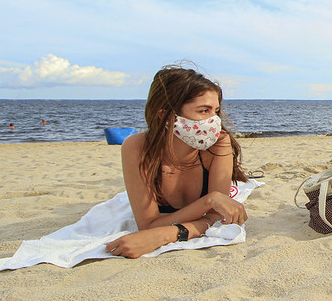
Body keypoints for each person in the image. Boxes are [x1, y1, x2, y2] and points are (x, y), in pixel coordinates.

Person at [105, 65, 248, 258]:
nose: (214, 120)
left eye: (216, 111)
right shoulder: (137, 148)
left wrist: (167, 234)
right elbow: (147, 225)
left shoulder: (219, 143)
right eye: (204, 110)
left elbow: (217, 216)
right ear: (165, 115)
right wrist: (210, 200)